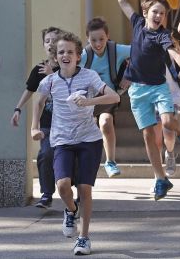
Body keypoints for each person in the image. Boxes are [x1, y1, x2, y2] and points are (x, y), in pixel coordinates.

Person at [31, 31, 120, 255]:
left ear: (78, 55)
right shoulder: (49, 81)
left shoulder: (89, 77)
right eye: (61, 52)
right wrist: (34, 127)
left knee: (84, 188)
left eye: (70, 51)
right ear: (55, 56)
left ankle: (84, 238)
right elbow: (38, 102)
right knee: (62, 186)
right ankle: (71, 210)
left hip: (89, 139)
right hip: (62, 140)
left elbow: (114, 97)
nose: (65, 55)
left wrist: (90, 101)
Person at [118, 0, 180, 200]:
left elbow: (173, 51)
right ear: (145, 13)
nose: (159, 16)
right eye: (155, 12)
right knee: (148, 136)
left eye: (162, 13)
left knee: (168, 122)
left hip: (159, 86)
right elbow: (122, 0)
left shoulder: (162, 34)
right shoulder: (136, 23)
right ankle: (161, 178)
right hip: (138, 90)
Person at [11, 26, 62, 208]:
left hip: (67, 124)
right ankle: (47, 194)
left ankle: (75, 192)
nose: (51, 44)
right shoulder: (39, 69)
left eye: (54, 40)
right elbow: (29, 90)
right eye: (47, 41)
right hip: (47, 123)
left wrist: (52, 75)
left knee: (71, 158)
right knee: (45, 154)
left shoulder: (67, 67)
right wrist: (18, 109)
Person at [80, 17, 131, 178]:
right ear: (87, 39)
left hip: (108, 96)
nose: (98, 44)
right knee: (89, 127)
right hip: (86, 99)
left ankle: (110, 162)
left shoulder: (117, 50)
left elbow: (141, 53)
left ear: (107, 36)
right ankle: (85, 163)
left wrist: (129, 75)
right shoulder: (82, 56)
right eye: (93, 40)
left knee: (105, 122)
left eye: (101, 39)